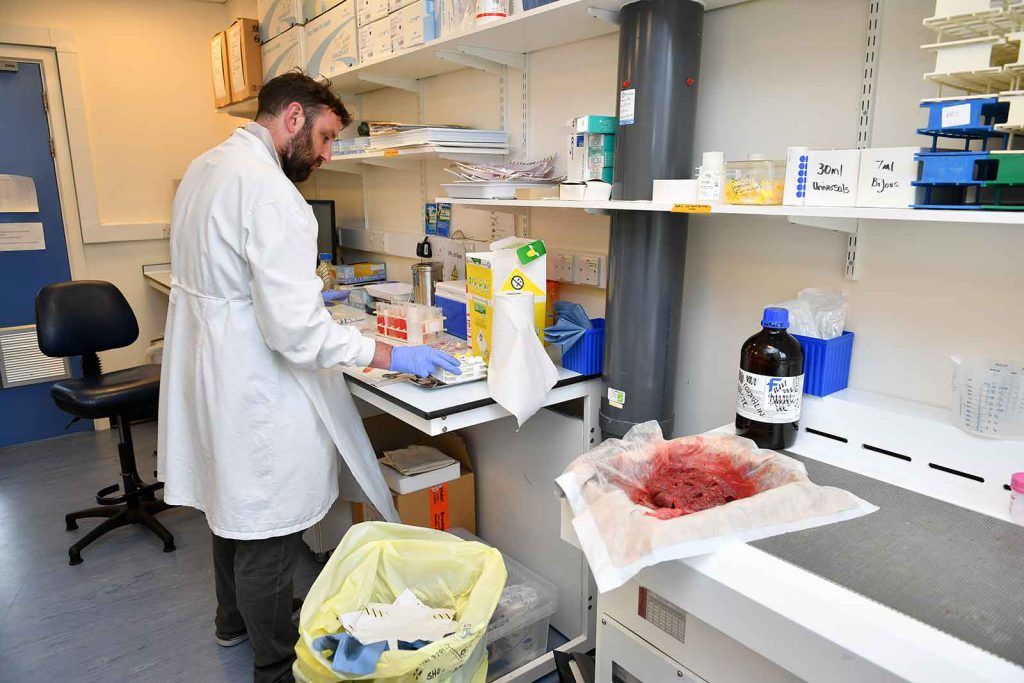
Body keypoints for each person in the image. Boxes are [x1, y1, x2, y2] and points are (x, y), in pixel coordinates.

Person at [156, 72, 460, 683]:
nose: (325, 155)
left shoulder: (207, 166)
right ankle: (273, 665)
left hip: (213, 368)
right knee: (266, 524)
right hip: (254, 382)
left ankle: (232, 622)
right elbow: (297, 332)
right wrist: (392, 355)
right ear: (293, 117)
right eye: (324, 138)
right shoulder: (272, 195)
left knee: (230, 505)